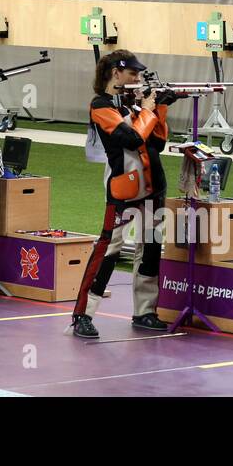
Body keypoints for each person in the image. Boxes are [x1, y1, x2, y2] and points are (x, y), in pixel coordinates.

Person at [71, 50, 173, 340]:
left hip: (153, 187)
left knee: (150, 251)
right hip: (122, 190)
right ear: (116, 73)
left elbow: (158, 142)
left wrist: (160, 109)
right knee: (108, 252)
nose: (137, 79)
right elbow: (130, 138)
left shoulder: (131, 105)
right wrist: (149, 110)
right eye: (133, 74)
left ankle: (145, 311)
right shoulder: (101, 106)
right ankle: (82, 315)